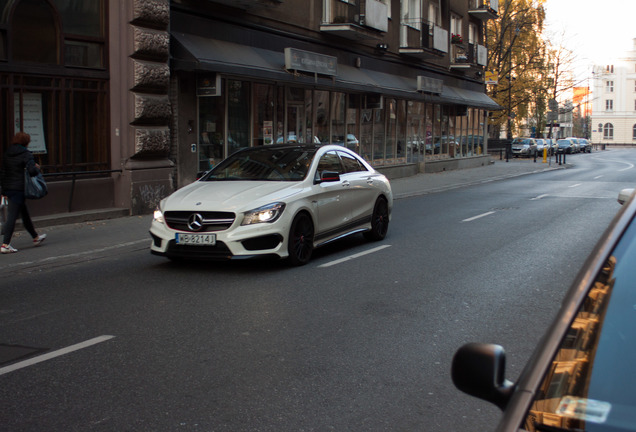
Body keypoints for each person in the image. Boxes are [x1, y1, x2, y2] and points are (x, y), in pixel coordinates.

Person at [1, 132, 47, 253]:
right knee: (12, 216)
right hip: (20, 188)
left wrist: (3, 190)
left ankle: (35, 238)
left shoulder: (7, 153)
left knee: (24, 214)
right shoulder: (26, 154)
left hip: (9, 187)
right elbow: (32, 171)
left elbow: (3, 173)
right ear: (26, 142)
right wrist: (37, 167)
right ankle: (5, 244)